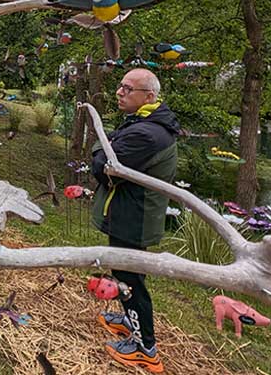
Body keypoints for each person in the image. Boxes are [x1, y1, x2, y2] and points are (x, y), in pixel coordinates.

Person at [91, 68, 179, 373]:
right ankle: (130, 321)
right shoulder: (146, 123)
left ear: (149, 96)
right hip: (130, 213)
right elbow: (108, 151)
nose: (119, 92)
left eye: (128, 89)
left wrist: (101, 152)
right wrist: (106, 149)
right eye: (120, 86)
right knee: (124, 273)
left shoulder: (146, 133)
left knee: (130, 281)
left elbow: (103, 164)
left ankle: (146, 348)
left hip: (134, 217)